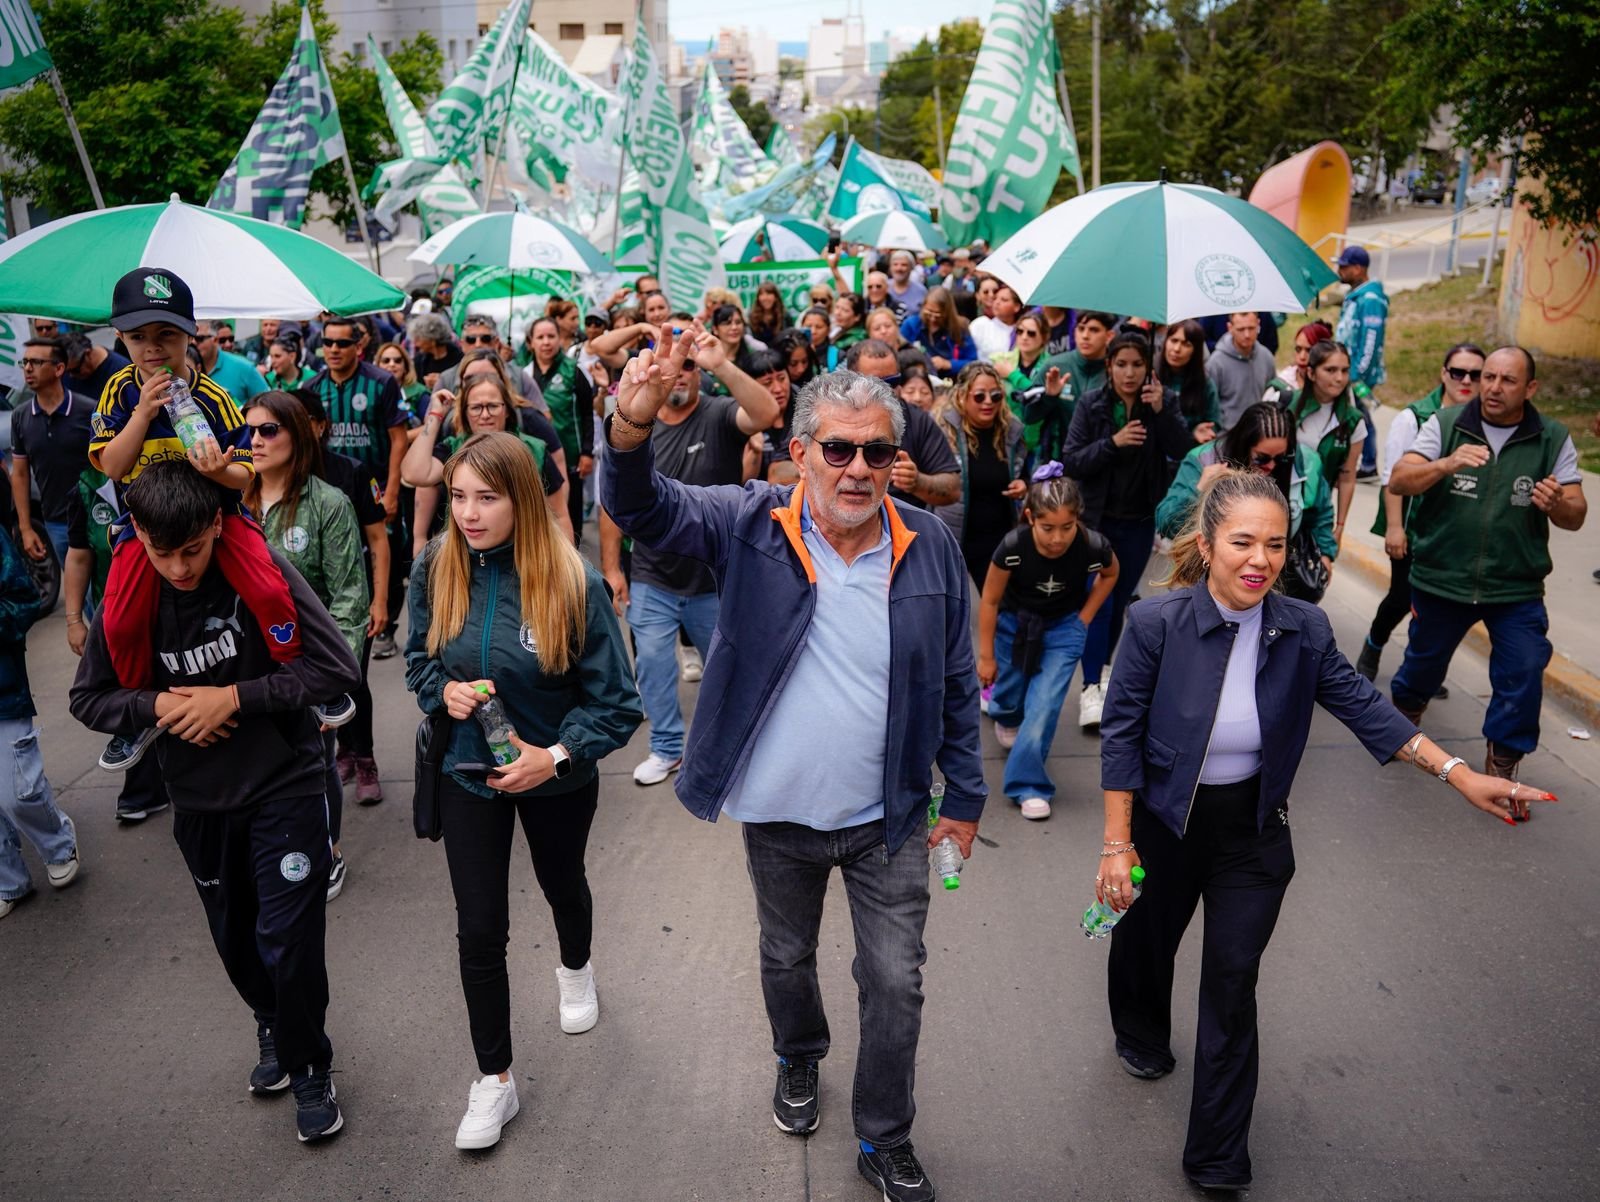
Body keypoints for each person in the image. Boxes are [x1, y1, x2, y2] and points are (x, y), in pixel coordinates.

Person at [601, 343, 988, 1202]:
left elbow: (957, 681)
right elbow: (639, 507)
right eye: (839, 449)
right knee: (787, 956)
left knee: (896, 981)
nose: (858, 469)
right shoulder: (749, 521)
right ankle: (799, 1055)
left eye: (877, 452)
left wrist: (964, 796)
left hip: (889, 816)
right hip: (777, 814)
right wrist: (629, 425)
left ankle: (885, 1136)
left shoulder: (928, 544)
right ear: (801, 450)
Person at [1096, 467, 1553, 1192]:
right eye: (1242, 542)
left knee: (1232, 984)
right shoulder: (1156, 624)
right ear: (1207, 544)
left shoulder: (1302, 627)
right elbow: (1121, 736)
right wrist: (1117, 846)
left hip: (1252, 835)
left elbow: (1363, 704)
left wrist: (1458, 773)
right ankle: (1141, 1032)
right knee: (1145, 947)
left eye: (1275, 545)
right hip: (1164, 827)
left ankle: (1217, 1156)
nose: (1260, 560)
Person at [69, 461, 362, 1144]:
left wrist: (233, 698)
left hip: (285, 783)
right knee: (236, 940)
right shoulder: (128, 593)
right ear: (137, 535)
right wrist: (160, 707)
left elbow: (335, 668)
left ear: (217, 526)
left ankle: (310, 1066)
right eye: (162, 552)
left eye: (193, 550)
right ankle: (272, 1022)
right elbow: (88, 698)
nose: (179, 568)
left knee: (289, 940)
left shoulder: (260, 570)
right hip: (199, 798)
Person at [404, 432, 640, 1151]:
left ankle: (576, 967)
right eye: (457, 497)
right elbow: (418, 661)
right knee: (479, 929)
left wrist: (556, 757)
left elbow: (617, 704)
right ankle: (495, 1078)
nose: (468, 514)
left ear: (524, 501)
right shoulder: (435, 565)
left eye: (487, 497)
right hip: (466, 776)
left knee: (562, 884)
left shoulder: (573, 582)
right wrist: (441, 692)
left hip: (555, 779)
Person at [88, 267, 306, 773]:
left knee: (269, 588)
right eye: (138, 336)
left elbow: (245, 475)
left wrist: (218, 470)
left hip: (216, 520)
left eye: (166, 334)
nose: (152, 347)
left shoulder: (213, 397)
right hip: (145, 530)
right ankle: (138, 711)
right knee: (120, 618)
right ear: (120, 338)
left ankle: (296, 670)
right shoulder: (118, 392)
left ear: (190, 334)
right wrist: (142, 415)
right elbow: (112, 466)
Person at [1388, 346, 1587, 782]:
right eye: (1488, 377)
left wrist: (1557, 504)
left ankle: (1503, 763)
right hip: (1442, 579)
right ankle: (1404, 719)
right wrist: (1445, 464)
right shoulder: (1446, 424)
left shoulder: (1552, 438)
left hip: (1515, 587)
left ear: (1530, 388)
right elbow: (1400, 479)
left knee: (1524, 668)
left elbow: (1576, 514)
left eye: (1507, 380)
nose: (1493, 388)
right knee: (1422, 666)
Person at [598, 327, 778, 786]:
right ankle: (666, 748)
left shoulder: (719, 413)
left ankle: (739, 746)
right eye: (671, 364)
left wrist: (722, 363)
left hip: (715, 579)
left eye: (690, 364)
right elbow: (614, 503)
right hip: (652, 576)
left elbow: (766, 412)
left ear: (700, 373)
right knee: (653, 667)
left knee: (733, 669)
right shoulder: (639, 422)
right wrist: (613, 568)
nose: (679, 372)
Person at [243, 393, 368, 901]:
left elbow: (349, 599)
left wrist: (331, 683)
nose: (255, 440)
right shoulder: (230, 500)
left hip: (307, 667)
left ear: (298, 434)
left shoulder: (329, 504)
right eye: (249, 430)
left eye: (268, 430)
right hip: (246, 664)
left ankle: (328, 851)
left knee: (315, 762)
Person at [1062, 332, 1194, 729]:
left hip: (1139, 521)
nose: (1129, 373)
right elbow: (1072, 459)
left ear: (1148, 368)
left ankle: (1102, 669)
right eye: (1121, 364)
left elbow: (1184, 451)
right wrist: (1113, 443)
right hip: (1097, 520)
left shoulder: (1163, 402)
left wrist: (1162, 412)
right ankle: (1089, 687)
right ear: (1109, 367)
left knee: (1119, 600)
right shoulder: (1092, 404)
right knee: (1099, 599)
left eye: (1138, 364)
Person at [976, 466, 1117, 820]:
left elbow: (1111, 572)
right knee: (1010, 696)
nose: (1058, 538)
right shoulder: (1012, 547)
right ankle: (1005, 713)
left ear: (1077, 520)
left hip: (1064, 629)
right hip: (1014, 626)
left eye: (1067, 527)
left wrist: (1084, 618)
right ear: (1030, 518)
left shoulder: (1092, 545)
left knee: (1044, 705)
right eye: (1048, 528)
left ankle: (1029, 785)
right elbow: (990, 601)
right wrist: (986, 657)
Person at [1356, 344, 1485, 684]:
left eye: (1476, 374)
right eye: (1458, 372)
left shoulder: (1488, 421)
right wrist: (1395, 528)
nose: (1466, 381)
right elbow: (1392, 480)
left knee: (1438, 605)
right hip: (1414, 529)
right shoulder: (1413, 418)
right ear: (1444, 374)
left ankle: (1420, 668)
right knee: (1402, 597)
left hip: (1454, 533)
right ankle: (1374, 644)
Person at [292, 388, 391, 808]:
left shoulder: (350, 472)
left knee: (354, 681)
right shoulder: (271, 476)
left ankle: (365, 759)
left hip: (350, 602)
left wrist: (380, 600)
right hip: (299, 609)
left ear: (319, 426)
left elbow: (378, 539)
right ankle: (342, 754)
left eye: (299, 421)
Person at [306, 315, 408, 658]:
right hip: (328, 493)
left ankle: (386, 624)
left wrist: (392, 491)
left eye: (342, 343)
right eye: (328, 342)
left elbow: (398, 439)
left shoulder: (381, 383)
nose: (334, 349)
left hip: (374, 487)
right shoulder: (312, 388)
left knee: (384, 552)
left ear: (359, 346)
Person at [1156, 401, 1337, 586]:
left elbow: (1321, 513)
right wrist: (1200, 489)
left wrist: (1326, 554)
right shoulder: (1204, 460)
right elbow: (1167, 522)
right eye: (1262, 458)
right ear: (1243, 444)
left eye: (1281, 458)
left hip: (1270, 582)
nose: (1271, 465)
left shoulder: (1306, 464)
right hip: (1206, 581)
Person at [0, 521, 79, 920]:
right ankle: (8, 879)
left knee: (17, 792)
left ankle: (59, 845)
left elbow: (25, 599)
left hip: (2, 691)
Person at [402, 373, 572, 542]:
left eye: (493, 406)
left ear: (506, 409)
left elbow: (560, 516)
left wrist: (566, 557)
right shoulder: (453, 449)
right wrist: (435, 415)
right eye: (476, 407)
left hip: (524, 550)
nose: (485, 415)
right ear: (465, 412)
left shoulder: (535, 450)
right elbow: (413, 474)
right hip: (463, 552)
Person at [933, 362, 1027, 587]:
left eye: (995, 396)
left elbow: (1025, 475)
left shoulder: (1011, 430)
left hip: (999, 539)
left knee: (998, 605)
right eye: (979, 396)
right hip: (953, 536)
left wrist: (1024, 486)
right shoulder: (943, 430)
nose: (988, 402)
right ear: (962, 396)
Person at [844, 340, 960, 511]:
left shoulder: (917, 420)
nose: (886, 390)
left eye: (892, 381)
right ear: (851, 379)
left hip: (901, 523)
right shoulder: (831, 417)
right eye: (875, 383)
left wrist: (917, 482)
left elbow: (953, 490)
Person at [11, 336, 95, 570]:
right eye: (25, 362)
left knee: (102, 588)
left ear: (59, 369)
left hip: (94, 517)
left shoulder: (89, 410)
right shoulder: (20, 416)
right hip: (56, 523)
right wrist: (26, 528)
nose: (28, 368)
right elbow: (20, 474)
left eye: (36, 362)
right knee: (77, 588)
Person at [1284, 340, 1364, 550]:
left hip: (1318, 516)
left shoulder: (1353, 421)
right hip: (1279, 506)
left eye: (1344, 371)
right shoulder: (1286, 405)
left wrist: (1340, 527)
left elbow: (1347, 478)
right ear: (1311, 373)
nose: (1339, 378)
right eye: (1330, 370)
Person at [523, 317, 594, 541]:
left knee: (570, 517)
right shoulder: (524, 374)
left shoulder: (574, 371)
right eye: (540, 337)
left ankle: (574, 560)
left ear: (559, 339)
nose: (546, 342)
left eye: (551, 336)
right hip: (534, 458)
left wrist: (587, 452)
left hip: (571, 457)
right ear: (530, 343)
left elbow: (588, 414)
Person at [1333, 246, 1388, 479]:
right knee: (1356, 413)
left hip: (1357, 373)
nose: (1339, 270)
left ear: (1358, 268)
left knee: (1358, 415)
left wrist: (1356, 374)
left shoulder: (1371, 299)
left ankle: (1367, 463)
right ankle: (1364, 462)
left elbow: (1370, 340)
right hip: (1348, 369)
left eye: (1344, 266)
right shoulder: (1357, 296)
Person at [1205, 312, 1277, 430]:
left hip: (1259, 431)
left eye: (1251, 328)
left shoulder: (1266, 357)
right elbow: (1209, 405)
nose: (1247, 335)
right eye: (1241, 329)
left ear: (1258, 325)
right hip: (1227, 433)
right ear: (1230, 328)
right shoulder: (1216, 363)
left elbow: (1272, 393)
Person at [1157, 320, 1220, 444]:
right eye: (1174, 340)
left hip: (1191, 449)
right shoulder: (1153, 378)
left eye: (1186, 344)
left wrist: (1200, 432)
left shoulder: (1205, 384)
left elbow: (1214, 422)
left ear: (1196, 350)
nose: (1177, 349)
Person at [741, 348, 797, 486]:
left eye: (782, 378)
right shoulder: (741, 417)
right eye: (767, 383)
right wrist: (755, 452)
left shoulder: (806, 407)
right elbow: (743, 480)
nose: (778, 389)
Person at [898, 287, 976, 376]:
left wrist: (949, 364)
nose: (932, 319)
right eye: (929, 313)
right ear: (923, 307)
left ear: (947, 313)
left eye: (938, 315)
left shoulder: (960, 328)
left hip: (950, 377)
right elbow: (899, 353)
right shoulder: (911, 325)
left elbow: (972, 362)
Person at [195, 319, 267, 407]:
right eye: (190, 337)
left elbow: (267, 404)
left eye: (199, 339)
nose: (193, 343)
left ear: (215, 340)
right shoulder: (186, 368)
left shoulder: (244, 367)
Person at [1262, 320, 1331, 404]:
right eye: (1298, 349)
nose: (1302, 357)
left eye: (1309, 350)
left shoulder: (1335, 387)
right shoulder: (1280, 389)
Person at [63, 333, 130, 402]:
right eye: (66, 371)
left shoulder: (121, 371)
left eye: (75, 370)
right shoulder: (70, 369)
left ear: (88, 354)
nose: (71, 376)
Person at [408, 310, 462, 388]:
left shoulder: (459, 358)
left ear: (432, 339)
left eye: (418, 338)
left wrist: (444, 381)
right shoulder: (419, 361)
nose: (415, 344)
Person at [969, 284, 1024, 360]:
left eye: (1004, 300)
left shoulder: (1023, 329)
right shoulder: (980, 324)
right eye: (995, 298)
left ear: (1016, 307)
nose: (997, 302)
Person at [374, 339, 427, 405]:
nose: (392, 364)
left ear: (405, 367)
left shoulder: (420, 393)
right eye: (386, 360)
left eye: (397, 360)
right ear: (377, 366)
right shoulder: (369, 391)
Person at [828, 292, 868, 366]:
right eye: (837, 307)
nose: (838, 313)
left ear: (857, 317)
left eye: (845, 310)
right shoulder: (837, 329)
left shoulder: (858, 340)